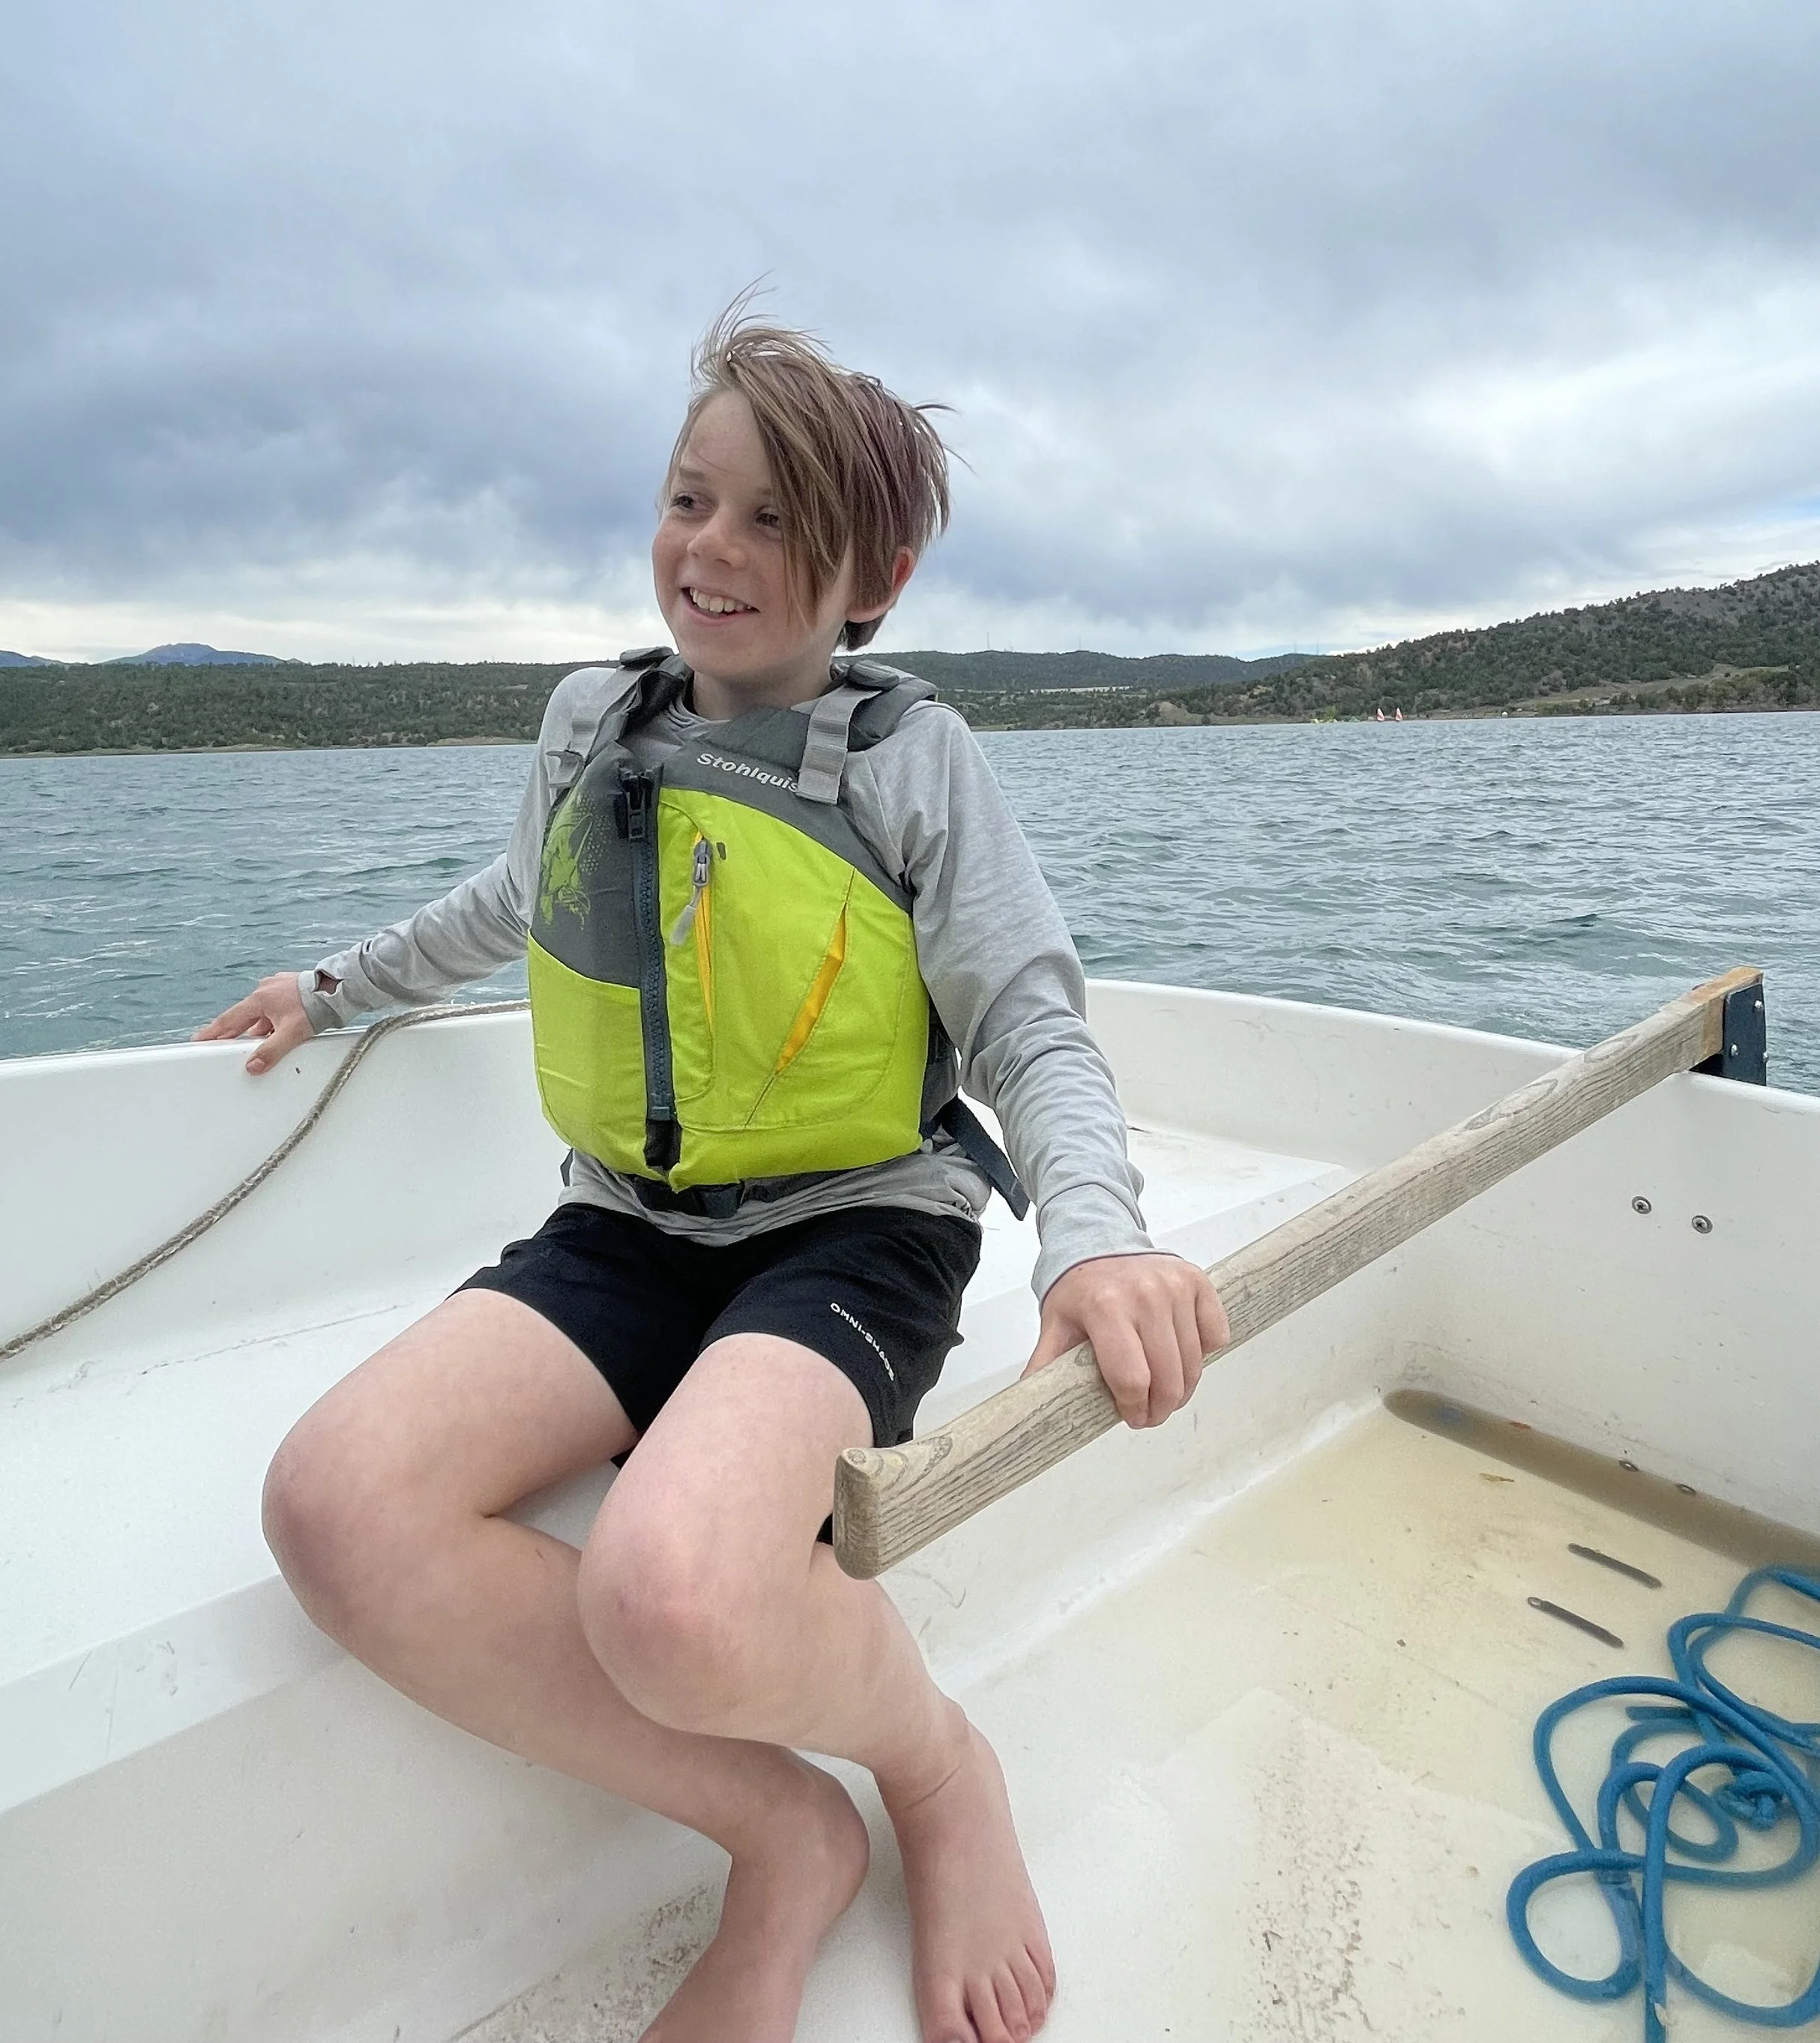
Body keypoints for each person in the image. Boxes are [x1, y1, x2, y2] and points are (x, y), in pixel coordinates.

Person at [198, 307, 1228, 2043]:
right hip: (626, 1223)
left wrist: (1094, 1240)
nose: (713, 549)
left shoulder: (915, 764)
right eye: (692, 498)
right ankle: (780, 1826)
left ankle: (934, 1763)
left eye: (772, 520)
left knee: (668, 1594)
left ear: (871, 574)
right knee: (332, 1502)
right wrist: (329, 987)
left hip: (855, 1232)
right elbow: (506, 906)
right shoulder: (589, 719)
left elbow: (1029, 1023)